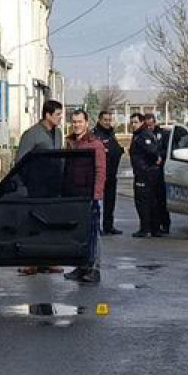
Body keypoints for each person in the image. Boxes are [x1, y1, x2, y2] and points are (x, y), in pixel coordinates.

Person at [16, 100, 64, 276]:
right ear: (47, 115)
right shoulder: (32, 134)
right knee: (33, 224)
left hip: (53, 186)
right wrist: (27, 183)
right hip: (36, 186)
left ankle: (49, 261)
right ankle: (31, 262)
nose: (60, 118)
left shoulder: (58, 134)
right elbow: (21, 160)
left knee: (51, 224)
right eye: (58, 115)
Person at [64, 110, 108, 284]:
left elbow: (100, 171)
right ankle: (81, 267)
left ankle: (94, 269)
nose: (77, 125)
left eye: (80, 122)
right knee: (79, 233)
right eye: (74, 122)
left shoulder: (95, 144)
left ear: (87, 123)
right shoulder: (71, 143)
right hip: (75, 195)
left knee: (94, 233)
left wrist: (97, 195)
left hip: (90, 196)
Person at [129, 112, 162, 238]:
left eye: (135, 122)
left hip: (145, 173)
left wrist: (154, 160)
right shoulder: (138, 135)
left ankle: (146, 228)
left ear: (142, 122)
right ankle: (153, 228)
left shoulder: (144, 135)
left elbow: (152, 151)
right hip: (144, 172)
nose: (133, 125)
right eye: (131, 122)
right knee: (150, 201)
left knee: (143, 201)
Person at [92, 112, 125, 235]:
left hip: (112, 173)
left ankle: (108, 226)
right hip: (100, 174)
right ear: (99, 120)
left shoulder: (111, 133)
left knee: (110, 202)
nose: (107, 122)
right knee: (97, 203)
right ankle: (96, 226)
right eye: (105, 120)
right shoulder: (95, 135)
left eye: (109, 120)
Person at [146, 113, 172, 235]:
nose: (149, 127)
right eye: (147, 125)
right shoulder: (144, 135)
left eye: (151, 125)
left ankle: (165, 224)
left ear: (155, 122)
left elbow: (168, 148)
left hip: (162, 170)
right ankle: (153, 225)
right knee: (151, 200)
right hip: (150, 170)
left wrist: (160, 156)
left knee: (162, 200)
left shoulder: (164, 134)